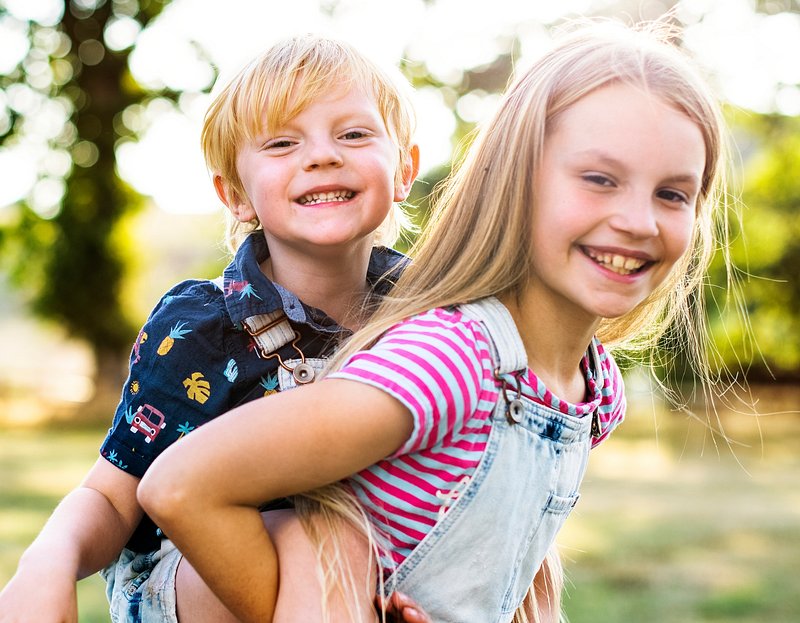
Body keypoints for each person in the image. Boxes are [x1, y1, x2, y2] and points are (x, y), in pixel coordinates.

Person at [137, 15, 737, 623]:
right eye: (599, 179)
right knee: (320, 540)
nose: (639, 220)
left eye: (673, 194)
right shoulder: (448, 359)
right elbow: (180, 486)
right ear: (515, 182)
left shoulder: (596, 391)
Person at [0, 34, 425, 623]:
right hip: (187, 581)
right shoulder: (202, 331)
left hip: (361, 581)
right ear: (236, 195)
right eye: (282, 142)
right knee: (319, 535)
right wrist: (48, 559)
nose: (323, 155)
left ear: (404, 169)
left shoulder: (432, 320)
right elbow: (112, 494)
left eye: (353, 134)